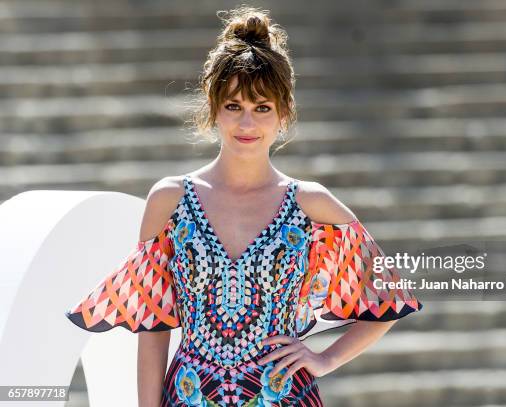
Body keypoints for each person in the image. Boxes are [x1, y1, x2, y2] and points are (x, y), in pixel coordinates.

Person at [65, 6, 423, 407]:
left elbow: (389, 296)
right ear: (213, 108)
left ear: (284, 113)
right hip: (190, 397)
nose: (247, 124)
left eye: (262, 108)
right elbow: (154, 325)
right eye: (233, 106)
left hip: (284, 397)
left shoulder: (311, 203)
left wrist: (325, 358)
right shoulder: (169, 200)